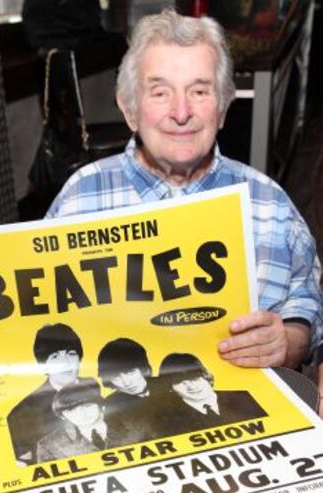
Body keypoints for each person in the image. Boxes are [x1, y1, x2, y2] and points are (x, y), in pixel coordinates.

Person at [46, 9, 322, 369]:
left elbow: (307, 306)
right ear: (130, 110)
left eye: (199, 91)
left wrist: (287, 341)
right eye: (160, 92)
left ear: (222, 109)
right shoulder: (79, 201)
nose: (181, 112)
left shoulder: (271, 205)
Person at [7, 322, 98, 465]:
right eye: (55, 357)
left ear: (80, 359)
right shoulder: (21, 414)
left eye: (71, 354)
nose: (66, 363)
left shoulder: (93, 386)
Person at [158, 353, 267, 433]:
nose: (191, 386)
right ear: (170, 388)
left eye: (194, 378)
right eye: (180, 382)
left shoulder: (243, 397)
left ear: (206, 375)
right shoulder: (167, 419)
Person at [97, 337, 162, 442]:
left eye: (130, 372)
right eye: (116, 377)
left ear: (144, 369)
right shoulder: (112, 405)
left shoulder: (169, 385)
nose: (127, 383)